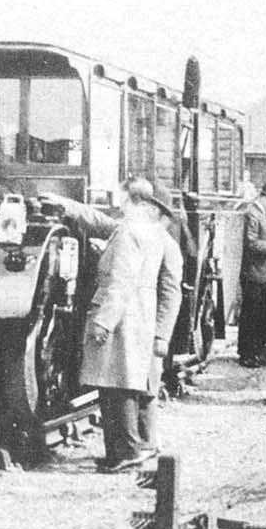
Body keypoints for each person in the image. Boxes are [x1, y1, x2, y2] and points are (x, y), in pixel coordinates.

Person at [66, 177, 184, 472]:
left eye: (125, 201)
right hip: (135, 315)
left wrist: (103, 322)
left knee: (115, 386)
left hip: (122, 318)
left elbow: (120, 281)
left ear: (140, 205)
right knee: (122, 384)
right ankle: (124, 451)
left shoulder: (130, 233)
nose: (121, 206)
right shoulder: (146, 234)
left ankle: (126, 452)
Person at [237, 182, 266, 368]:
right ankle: (247, 354)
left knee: (259, 315)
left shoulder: (262, 215)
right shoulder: (252, 213)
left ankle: (257, 351)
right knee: (250, 316)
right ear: (265, 198)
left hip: (262, 273)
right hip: (253, 273)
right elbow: (250, 242)